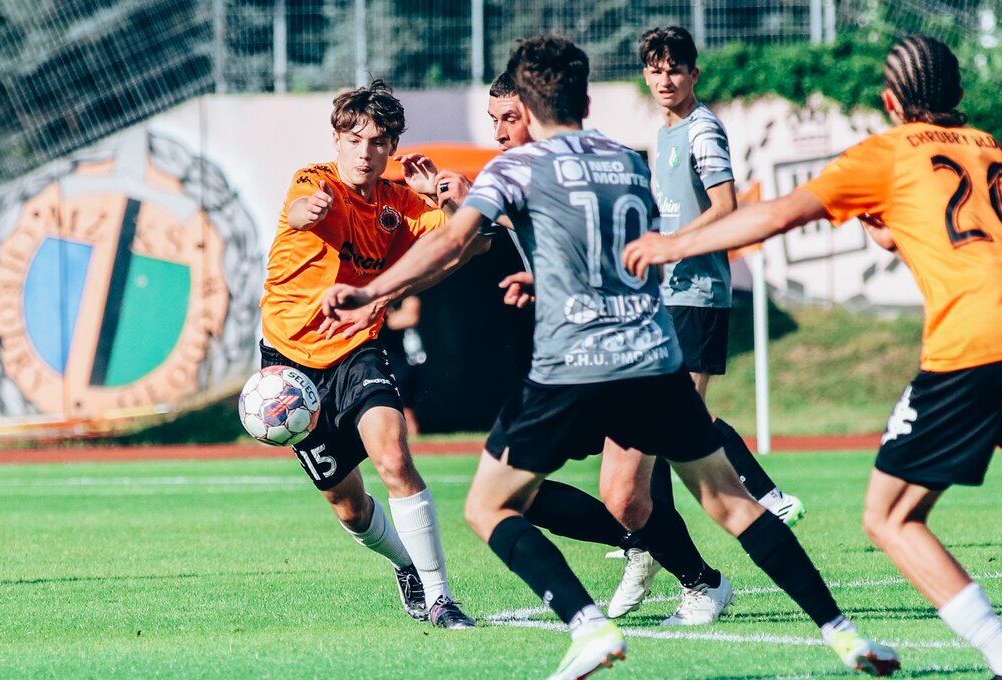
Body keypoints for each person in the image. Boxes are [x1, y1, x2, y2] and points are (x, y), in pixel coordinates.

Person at [324, 36, 899, 679]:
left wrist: (371, 291)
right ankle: (844, 634)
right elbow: (620, 253)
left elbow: (453, 243)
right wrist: (549, 278)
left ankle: (588, 625)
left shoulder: (517, 168)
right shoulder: (627, 160)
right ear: (587, 100)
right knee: (729, 503)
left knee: (489, 505)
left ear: (529, 109)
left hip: (574, 363)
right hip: (653, 357)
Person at [622, 34, 1002, 678]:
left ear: (889, 102)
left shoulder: (887, 152)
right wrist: (887, 227)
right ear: (960, 93)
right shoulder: (990, 147)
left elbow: (773, 216)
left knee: (890, 516)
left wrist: (671, 245)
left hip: (974, 341)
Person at [490, 70, 734, 628]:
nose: (500, 132)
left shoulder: (584, 169)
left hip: (620, 353)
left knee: (631, 488)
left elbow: (597, 253)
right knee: (514, 487)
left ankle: (708, 576)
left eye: (509, 118)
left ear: (535, 113)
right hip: (567, 360)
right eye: (494, 120)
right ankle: (640, 545)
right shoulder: (521, 174)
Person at [605, 23, 810, 621]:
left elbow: (725, 207)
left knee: (673, 422)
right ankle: (659, 546)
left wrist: (670, 246)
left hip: (697, 292)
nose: (665, 78)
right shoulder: (664, 132)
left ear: (694, 74)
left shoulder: (702, 128)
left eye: (675, 69)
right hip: (670, 292)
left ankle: (754, 503)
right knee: (664, 424)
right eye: (655, 69)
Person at [259, 79, 475, 629]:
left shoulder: (400, 203)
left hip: (357, 347)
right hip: (289, 362)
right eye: (354, 139)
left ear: (392, 146)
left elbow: (462, 237)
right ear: (336, 140)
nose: (364, 152)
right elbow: (301, 211)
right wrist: (310, 210)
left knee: (394, 458)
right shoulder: (315, 181)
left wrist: (443, 198)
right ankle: (405, 563)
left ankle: (441, 598)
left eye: (377, 142)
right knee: (350, 507)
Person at [380, 295, 426, 437]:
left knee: (406, 411)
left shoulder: (407, 294)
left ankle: (417, 445)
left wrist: (382, 317)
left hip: (402, 363)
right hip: (380, 362)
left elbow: (410, 317)